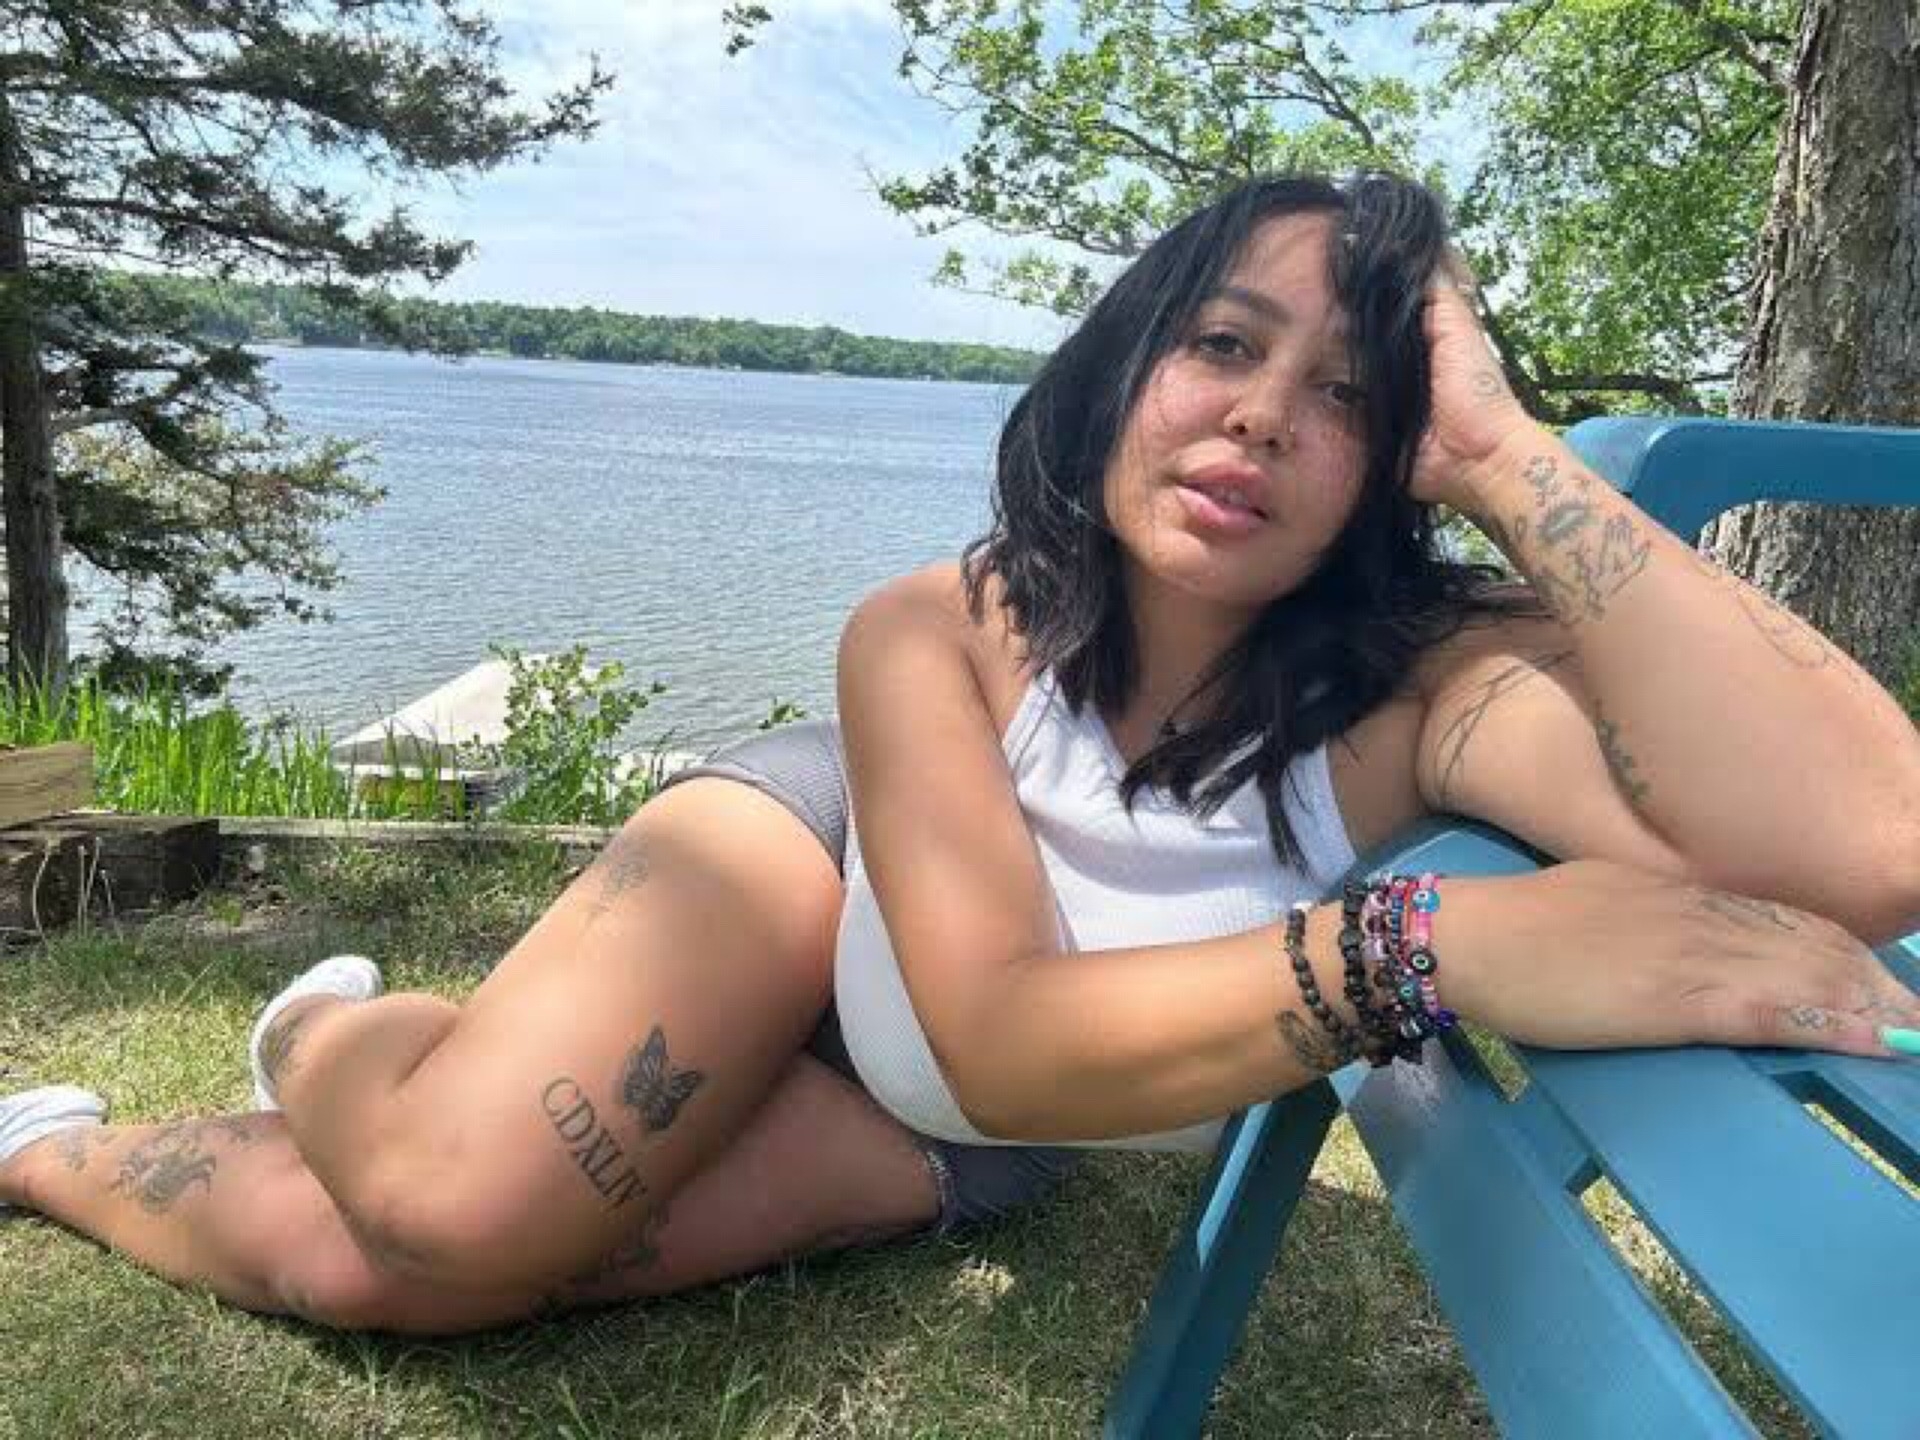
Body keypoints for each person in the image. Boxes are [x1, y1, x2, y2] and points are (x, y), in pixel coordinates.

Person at [4, 172, 1919, 1337]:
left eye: (1348, 393)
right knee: (445, 1200)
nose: (1265, 415)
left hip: (970, 1113)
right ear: (1123, 368)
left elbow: (1871, 844)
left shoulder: (1435, 690)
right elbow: (996, 1017)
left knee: (392, 1276)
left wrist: (1504, 452)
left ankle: (123, 1126)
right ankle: (321, 1048)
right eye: (1223, 346)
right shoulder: (937, 625)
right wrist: (1437, 948)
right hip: (820, 882)